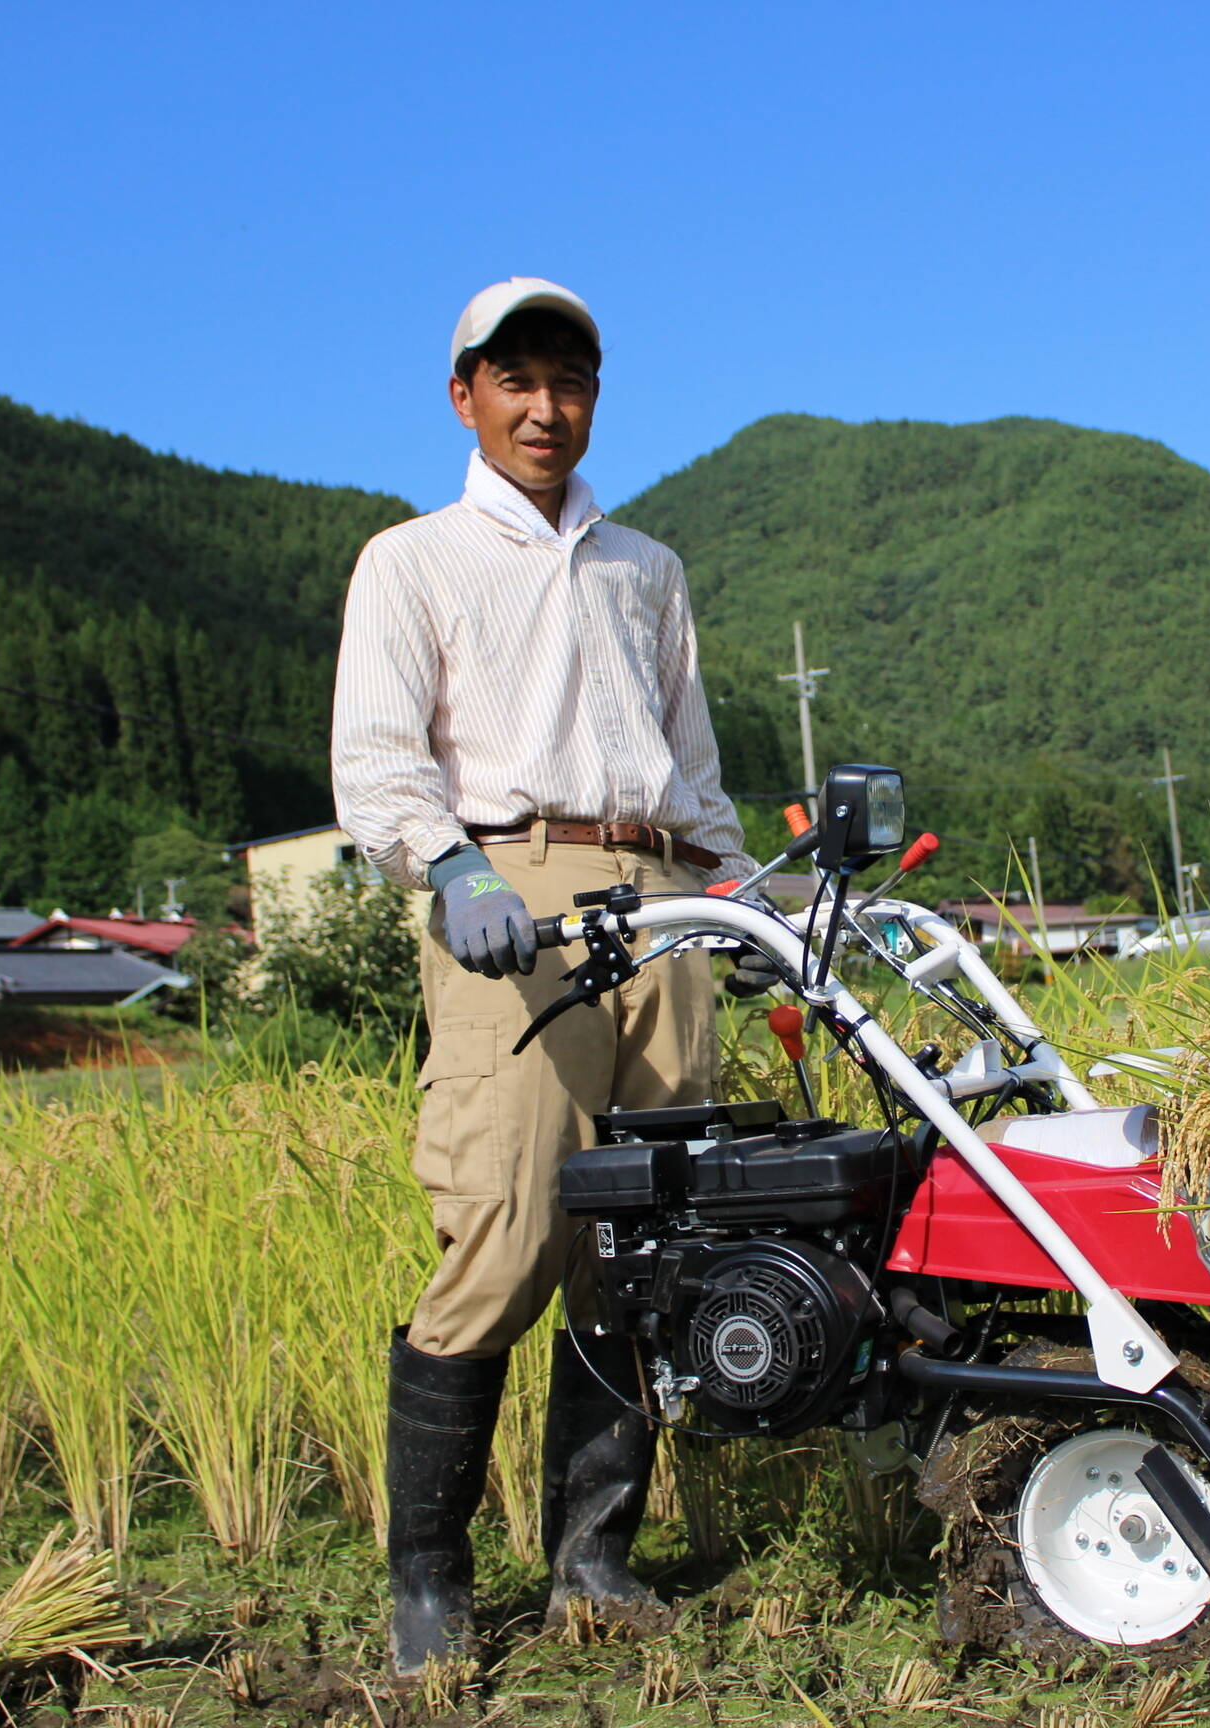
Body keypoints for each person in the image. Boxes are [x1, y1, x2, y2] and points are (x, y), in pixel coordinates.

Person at [331, 277, 760, 1675]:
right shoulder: (414, 559)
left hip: (665, 897)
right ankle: (429, 1580)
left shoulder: (649, 567)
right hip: (509, 899)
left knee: (643, 1253)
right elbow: (381, 761)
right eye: (515, 379)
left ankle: (594, 1557)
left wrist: (745, 898)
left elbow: (691, 766)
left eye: (569, 381)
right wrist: (448, 870)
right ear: (465, 395)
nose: (545, 407)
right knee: (508, 1231)